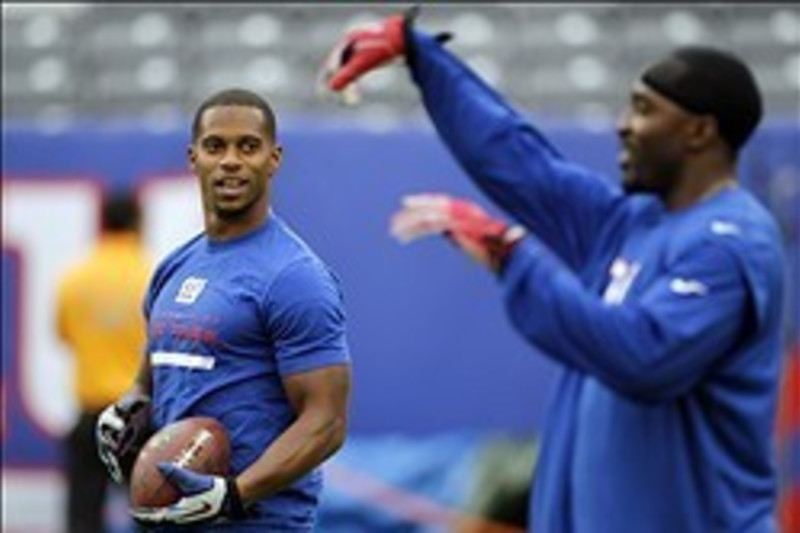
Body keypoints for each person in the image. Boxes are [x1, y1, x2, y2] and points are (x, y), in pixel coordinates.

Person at [320, 8, 785, 533]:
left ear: (698, 131)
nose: (623, 125)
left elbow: (644, 356)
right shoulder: (631, 223)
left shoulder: (730, 244)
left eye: (643, 110)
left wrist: (511, 257)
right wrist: (422, 56)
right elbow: (521, 161)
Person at [95, 88, 352, 531]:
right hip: (169, 521)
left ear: (274, 159)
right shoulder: (172, 267)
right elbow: (148, 381)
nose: (230, 160)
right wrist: (123, 412)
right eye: (216, 146)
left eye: (247, 146)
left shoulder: (294, 275)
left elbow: (325, 423)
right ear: (193, 158)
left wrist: (234, 494)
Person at [56, 192, 152, 533]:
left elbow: (65, 335)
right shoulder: (152, 276)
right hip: (138, 415)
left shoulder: (76, 278)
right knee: (152, 516)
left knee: (83, 517)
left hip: (90, 414)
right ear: (139, 223)